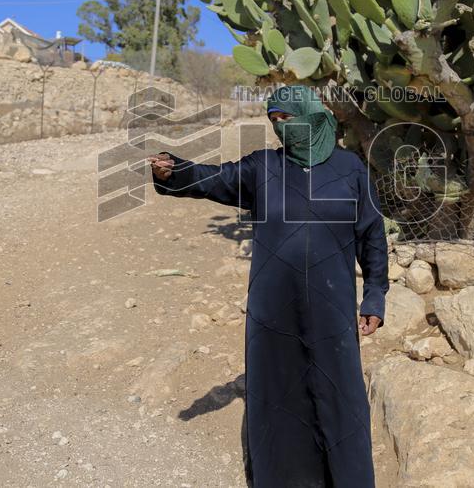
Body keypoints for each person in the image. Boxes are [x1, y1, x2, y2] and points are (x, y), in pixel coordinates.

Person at [148, 84, 389, 487]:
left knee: (338, 399)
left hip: (333, 308)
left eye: (289, 119)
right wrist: (175, 170)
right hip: (273, 311)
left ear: (313, 115)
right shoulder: (263, 168)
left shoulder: (350, 170)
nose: (282, 129)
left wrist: (375, 295)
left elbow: (372, 236)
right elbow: (214, 179)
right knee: (279, 398)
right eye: (274, 121)